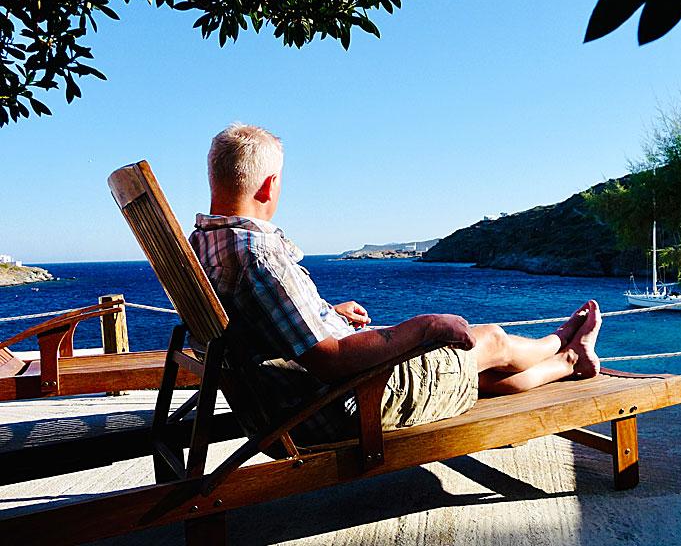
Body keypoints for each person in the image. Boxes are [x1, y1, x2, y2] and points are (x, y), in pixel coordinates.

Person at [189, 123, 602, 445]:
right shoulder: (259, 253)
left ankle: (569, 362)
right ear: (270, 185)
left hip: (284, 404)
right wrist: (426, 326)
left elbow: (255, 322)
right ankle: (563, 337)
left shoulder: (205, 244)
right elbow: (331, 360)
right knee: (490, 340)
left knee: (482, 376)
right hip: (344, 405)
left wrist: (325, 315)